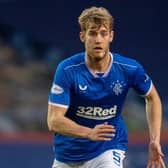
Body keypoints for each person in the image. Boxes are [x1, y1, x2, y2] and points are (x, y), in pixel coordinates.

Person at [47, 6, 166, 168]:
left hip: (108, 147)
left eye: (103, 33)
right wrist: (89, 133)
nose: (98, 40)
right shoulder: (67, 70)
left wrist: (154, 140)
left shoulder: (129, 68)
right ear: (83, 36)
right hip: (68, 153)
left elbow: (152, 98)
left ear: (111, 36)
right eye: (92, 33)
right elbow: (54, 121)